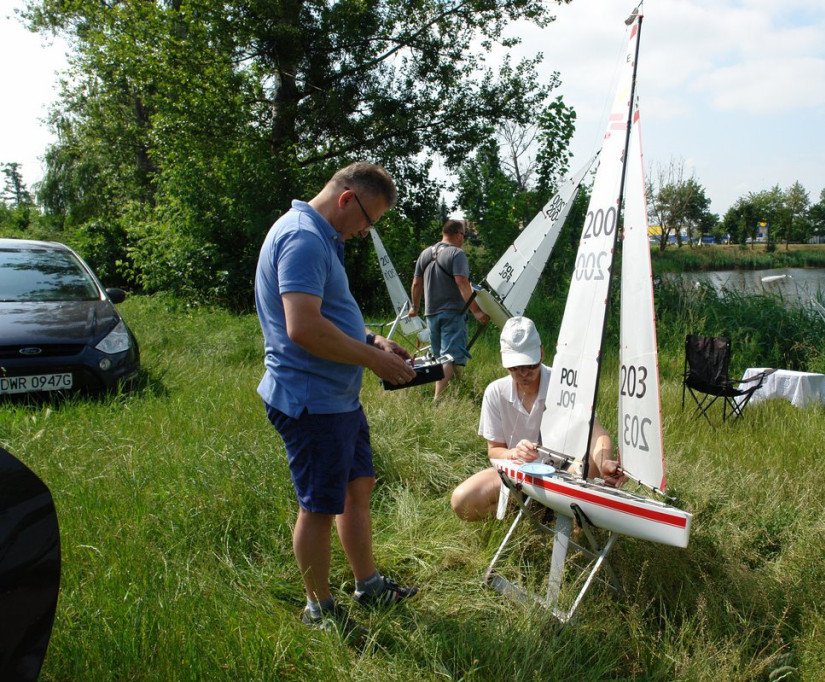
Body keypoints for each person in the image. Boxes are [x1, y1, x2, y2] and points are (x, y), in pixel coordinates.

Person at [255, 161, 419, 633]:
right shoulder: (303, 238)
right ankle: (319, 609)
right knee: (319, 507)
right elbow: (303, 327)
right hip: (312, 402)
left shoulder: (321, 237)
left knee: (356, 490)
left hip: (338, 399)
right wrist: (373, 363)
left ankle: (368, 584)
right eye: (368, 222)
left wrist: (372, 342)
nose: (365, 233)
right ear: (347, 199)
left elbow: (329, 312)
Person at [450, 316, 623, 521]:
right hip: (519, 475)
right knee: (462, 501)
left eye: (530, 365)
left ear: (541, 353)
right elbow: (494, 450)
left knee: (588, 461)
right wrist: (514, 454)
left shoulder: (564, 385)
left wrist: (604, 462)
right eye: (514, 367)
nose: (523, 373)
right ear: (503, 359)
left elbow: (598, 434)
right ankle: (531, 514)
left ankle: (573, 524)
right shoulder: (495, 392)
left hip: (566, 475)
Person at [409, 219, 489, 401]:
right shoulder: (456, 254)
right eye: (463, 235)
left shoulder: (425, 254)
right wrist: (476, 311)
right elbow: (462, 282)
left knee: (441, 357)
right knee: (448, 358)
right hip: (453, 313)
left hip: (431, 314)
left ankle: (461, 389)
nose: (464, 239)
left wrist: (415, 307)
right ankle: (438, 402)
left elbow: (416, 283)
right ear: (458, 234)